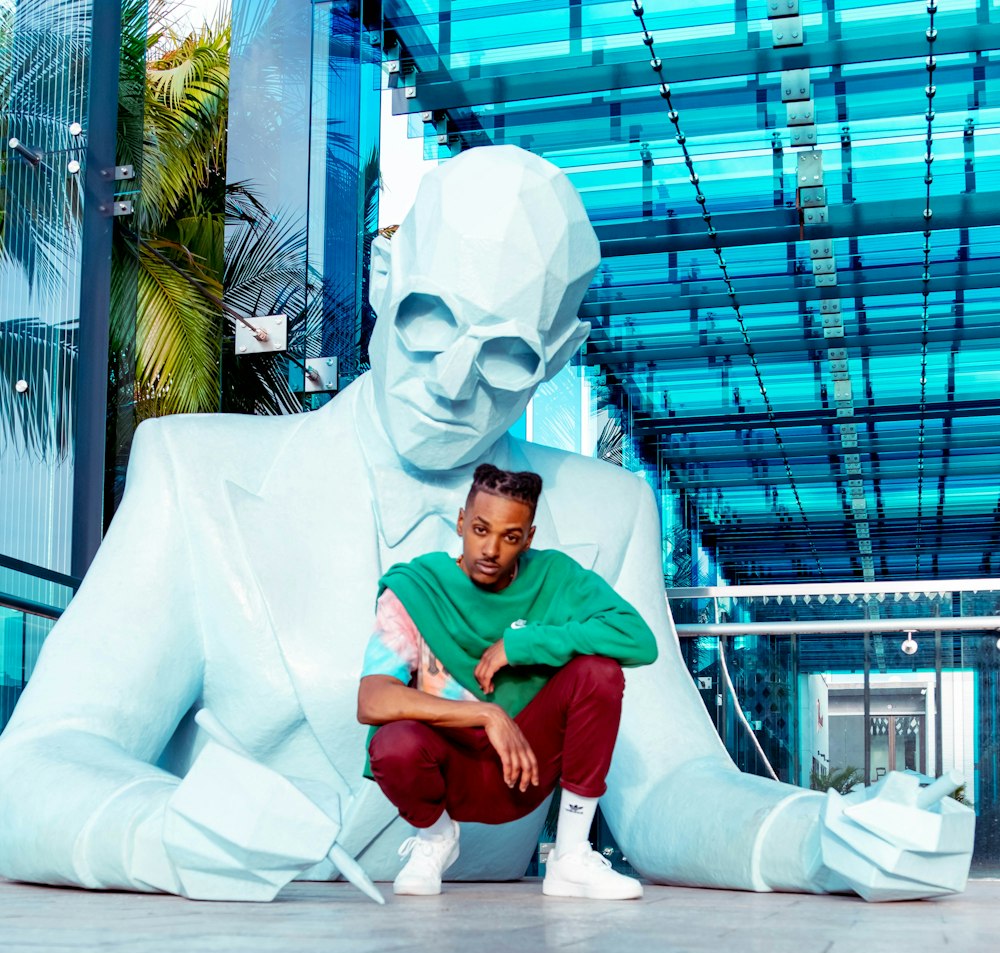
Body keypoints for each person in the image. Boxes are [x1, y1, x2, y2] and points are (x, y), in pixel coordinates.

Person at [0, 145, 973, 901]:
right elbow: (36, 765)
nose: (455, 382)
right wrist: (152, 830)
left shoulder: (605, 516)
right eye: (429, 319)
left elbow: (669, 781)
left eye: (507, 354)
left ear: (562, 355)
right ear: (382, 274)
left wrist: (813, 838)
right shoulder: (196, 475)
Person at [359, 462, 657, 898]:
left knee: (599, 672)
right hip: (451, 768)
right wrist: (485, 713)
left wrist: (524, 644)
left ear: (529, 538)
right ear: (461, 522)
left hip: (526, 768)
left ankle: (570, 855)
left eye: (510, 537)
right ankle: (436, 839)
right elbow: (372, 699)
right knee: (392, 743)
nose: (491, 549)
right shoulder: (416, 587)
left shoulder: (554, 576)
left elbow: (639, 640)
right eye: (480, 529)